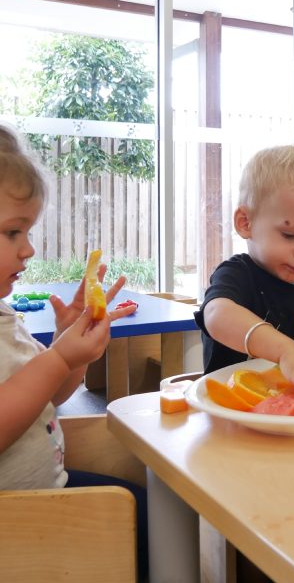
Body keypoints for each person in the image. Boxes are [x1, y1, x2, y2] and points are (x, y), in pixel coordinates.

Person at [0, 124, 147, 574]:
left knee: (148, 508)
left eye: (28, 232)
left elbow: (48, 396)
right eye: (12, 233)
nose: (29, 250)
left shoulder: (5, 317)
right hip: (17, 523)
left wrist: (69, 352)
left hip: (45, 492)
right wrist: (58, 356)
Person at [195, 143, 294, 399]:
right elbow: (217, 315)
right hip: (237, 415)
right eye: (290, 235)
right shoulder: (237, 275)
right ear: (246, 223)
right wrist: (286, 351)